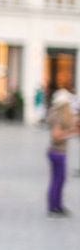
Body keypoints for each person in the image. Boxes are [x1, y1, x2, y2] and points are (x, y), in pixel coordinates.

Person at [46, 88, 78, 216]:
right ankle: (54, 207)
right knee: (58, 181)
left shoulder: (55, 112)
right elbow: (57, 135)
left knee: (58, 180)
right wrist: (71, 133)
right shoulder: (60, 115)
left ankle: (57, 206)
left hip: (55, 152)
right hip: (58, 152)